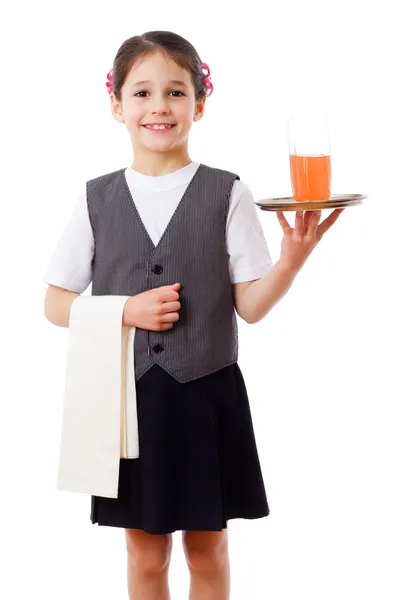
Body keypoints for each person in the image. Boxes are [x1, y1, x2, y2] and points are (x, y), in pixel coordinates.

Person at [42, 30, 343, 600]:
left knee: (208, 549)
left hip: (208, 394)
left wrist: (291, 261)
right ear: (116, 106)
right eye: (142, 93)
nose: (159, 107)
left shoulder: (227, 193)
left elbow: (249, 307)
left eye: (176, 92)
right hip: (129, 403)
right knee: (144, 553)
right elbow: (56, 304)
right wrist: (126, 310)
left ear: (200, 104)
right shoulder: (95, 199)